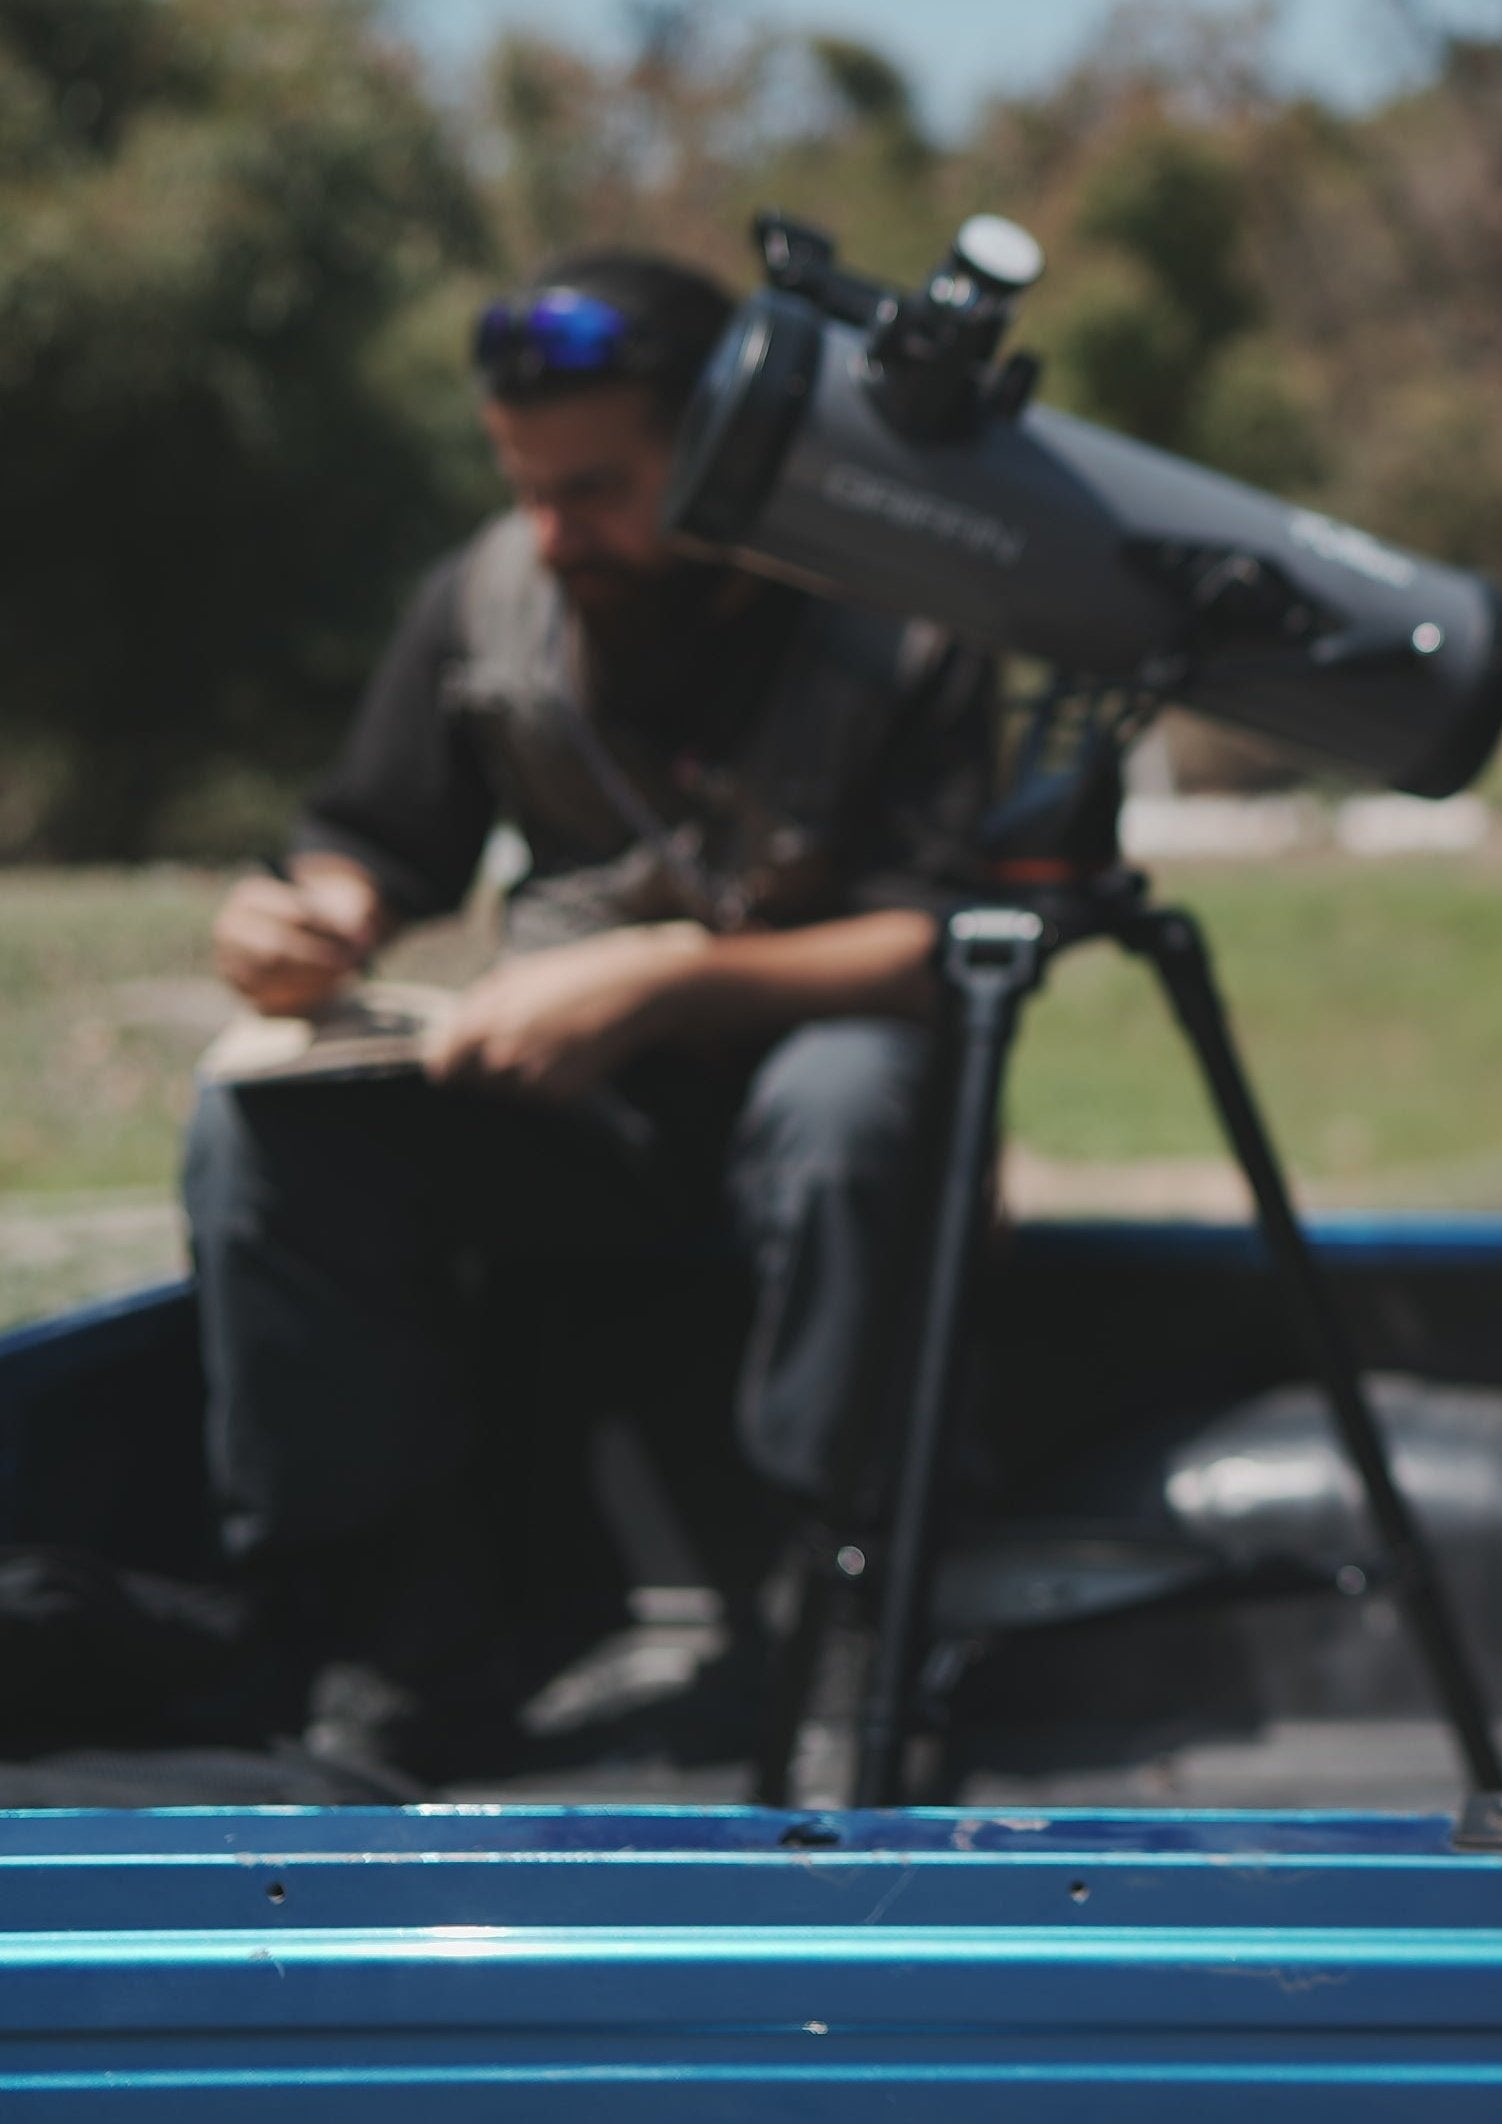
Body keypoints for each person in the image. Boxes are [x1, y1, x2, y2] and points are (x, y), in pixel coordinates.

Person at [182, 251, 994, 1779]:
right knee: (266, 1131)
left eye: (598, 488)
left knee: (848, 1106)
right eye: (525, 486)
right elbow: (370, 836)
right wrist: (310, 920)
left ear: (730, 450)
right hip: (574, 1127)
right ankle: (400, 1643)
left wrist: (664, 977)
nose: (553, 533)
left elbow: (952, 945)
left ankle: (841, 1637)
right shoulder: (487, 596)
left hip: (818, 1110)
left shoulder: (906, 622)